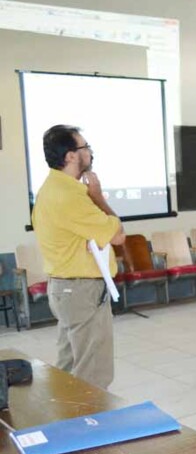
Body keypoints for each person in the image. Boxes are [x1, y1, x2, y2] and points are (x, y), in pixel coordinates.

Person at [31, 125, 125, 389]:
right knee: (93, 374)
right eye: (85, 147)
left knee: (69, 369)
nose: (90, 153)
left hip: (65, 288)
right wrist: (97, 198)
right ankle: (89, 426)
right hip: (82, 291)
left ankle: (65, 424)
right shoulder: (71, 195)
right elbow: (118, 235)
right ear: (71, 156)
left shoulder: (49, 188)